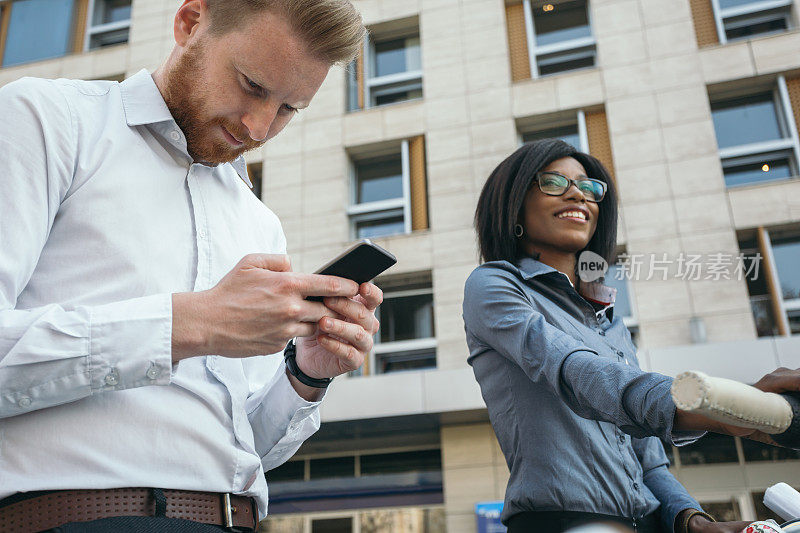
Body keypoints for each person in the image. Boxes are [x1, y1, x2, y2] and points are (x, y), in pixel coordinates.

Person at [0, 1, 380, 531]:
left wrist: (307, 372)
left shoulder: (258, 220)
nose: (259, 127)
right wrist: (193, 323)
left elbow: (248, 447)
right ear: (190, 22)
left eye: (290, 108)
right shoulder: (46, 120)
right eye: (251, 84)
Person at [463, 139, 798, 533]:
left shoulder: (609, 321)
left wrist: (694, 521)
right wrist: (724, 405)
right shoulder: (494, 284)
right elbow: (576, 371)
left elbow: (647, 460)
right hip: (562, 523)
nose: (578, 194)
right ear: (513, 203)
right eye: (554, 182)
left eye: (590, 188)